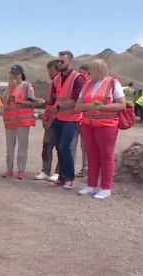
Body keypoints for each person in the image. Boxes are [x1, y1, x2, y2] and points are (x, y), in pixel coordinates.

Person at [75, 58, 126, 200]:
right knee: (92, 155)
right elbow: (78, 106)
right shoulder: (87, 85)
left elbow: (121, 104)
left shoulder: (113, 83)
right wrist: (89, 106)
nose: (89, 72)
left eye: (92, 69)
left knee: (106, 155)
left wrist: (101, 107)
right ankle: (91, 184)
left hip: (107, 125)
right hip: (87, 124)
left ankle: (106, 187)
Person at [45, 50, 86, 190]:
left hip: (72, 119)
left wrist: (58, 107)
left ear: (70, 62)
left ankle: (69, 177)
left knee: (65, 147)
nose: (59, 63)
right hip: (59, 118)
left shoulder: (78, 78)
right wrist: (42, 102)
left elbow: (75, 100)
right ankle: (62, 177)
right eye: (58, 61)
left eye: (62, 61)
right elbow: (53, 97)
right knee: (59, 148)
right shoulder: (57, 79)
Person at [1, 65, 36, 180]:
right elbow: (4, 102)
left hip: (23, 120)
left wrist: (20, 102)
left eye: (16, 74)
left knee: (22, 146)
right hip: (10, 121)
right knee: (10, 146)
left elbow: (32, 102)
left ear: (21, 74)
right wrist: (8, 87)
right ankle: (9, 168)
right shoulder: (9, 87)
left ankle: (21, 169)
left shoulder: (27, 86)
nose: (14, 76)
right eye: (12, 74)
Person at [34, 59, 60, 182]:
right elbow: (49, 104)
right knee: (47, 145)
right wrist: (45, 117)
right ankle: (46, 170)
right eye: (48, 71)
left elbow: (57, 103)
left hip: (58, 119)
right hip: (49, 117)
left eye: (52, 71)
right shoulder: (51, 84)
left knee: (60, 147)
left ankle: (58, 172)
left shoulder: (61, 84)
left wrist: (51, 119)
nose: (50, 74)